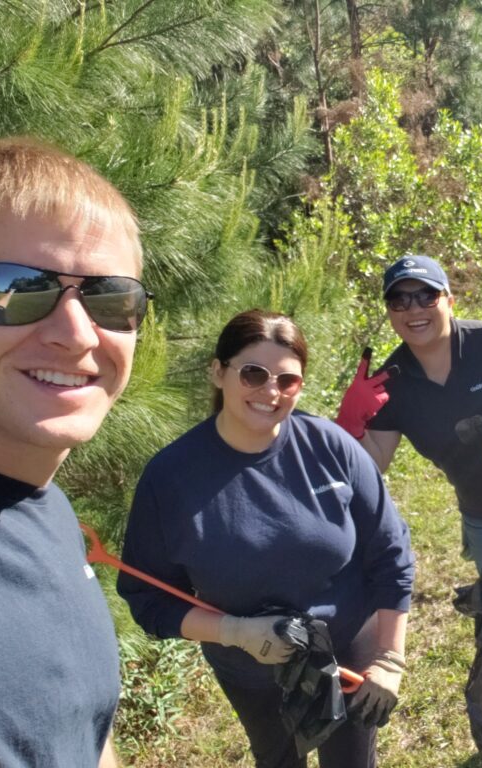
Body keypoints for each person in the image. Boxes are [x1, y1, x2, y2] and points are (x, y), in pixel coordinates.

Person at [0, 137, 152, 767]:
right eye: (17, 289)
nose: (78, 333)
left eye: (112, 297)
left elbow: (83, 735)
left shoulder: (42, 504)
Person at [117, 309, 415, 768]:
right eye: (253, 373)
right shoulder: (171, 478)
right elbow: (149, 598)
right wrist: (234, 631)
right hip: (250, 669)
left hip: (348, 655)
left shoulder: (332, 447)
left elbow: (391, 552)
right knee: (278, 760)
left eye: (287, 380)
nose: (270, 392)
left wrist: (390, 657)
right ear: (218, 372)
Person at [335, 255, 482, 573]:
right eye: (399, 300)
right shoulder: (391, 382)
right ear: (390, 313)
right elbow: (377, 463)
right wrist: (348, 425)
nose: (414, 309)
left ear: (450, 301)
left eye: (427, 295)